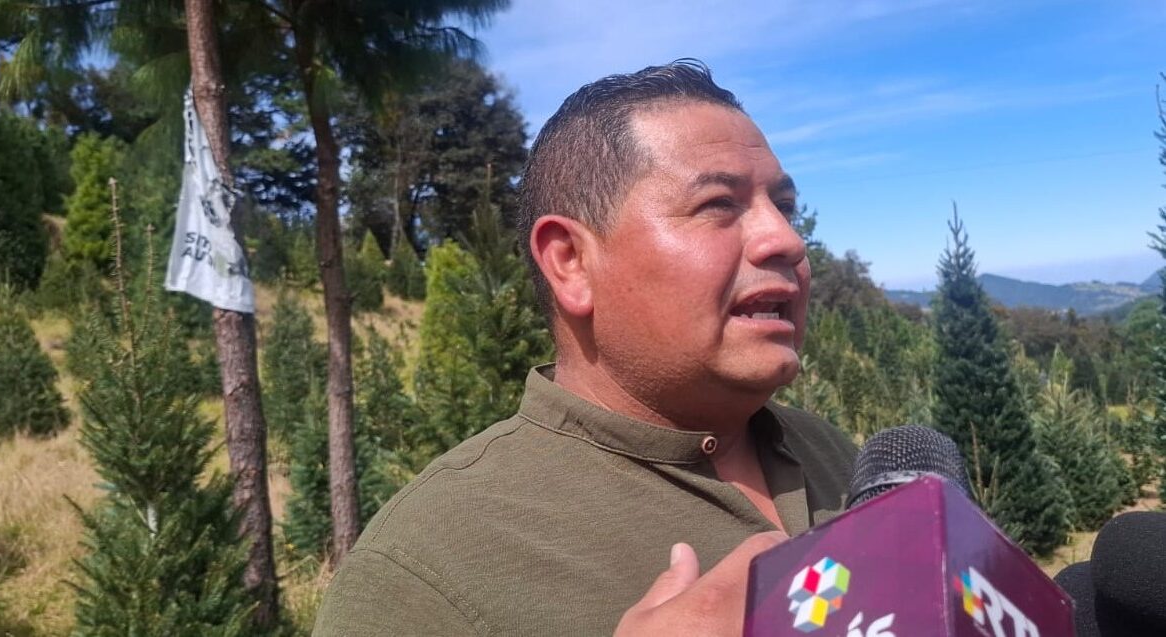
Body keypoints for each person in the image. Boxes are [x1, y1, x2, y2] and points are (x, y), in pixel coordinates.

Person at [313, 59, 858, 637]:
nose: (786, 240)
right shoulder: (424, 573)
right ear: (571, 262)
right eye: (719, 204)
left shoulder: (834, 454)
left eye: (784, 208)